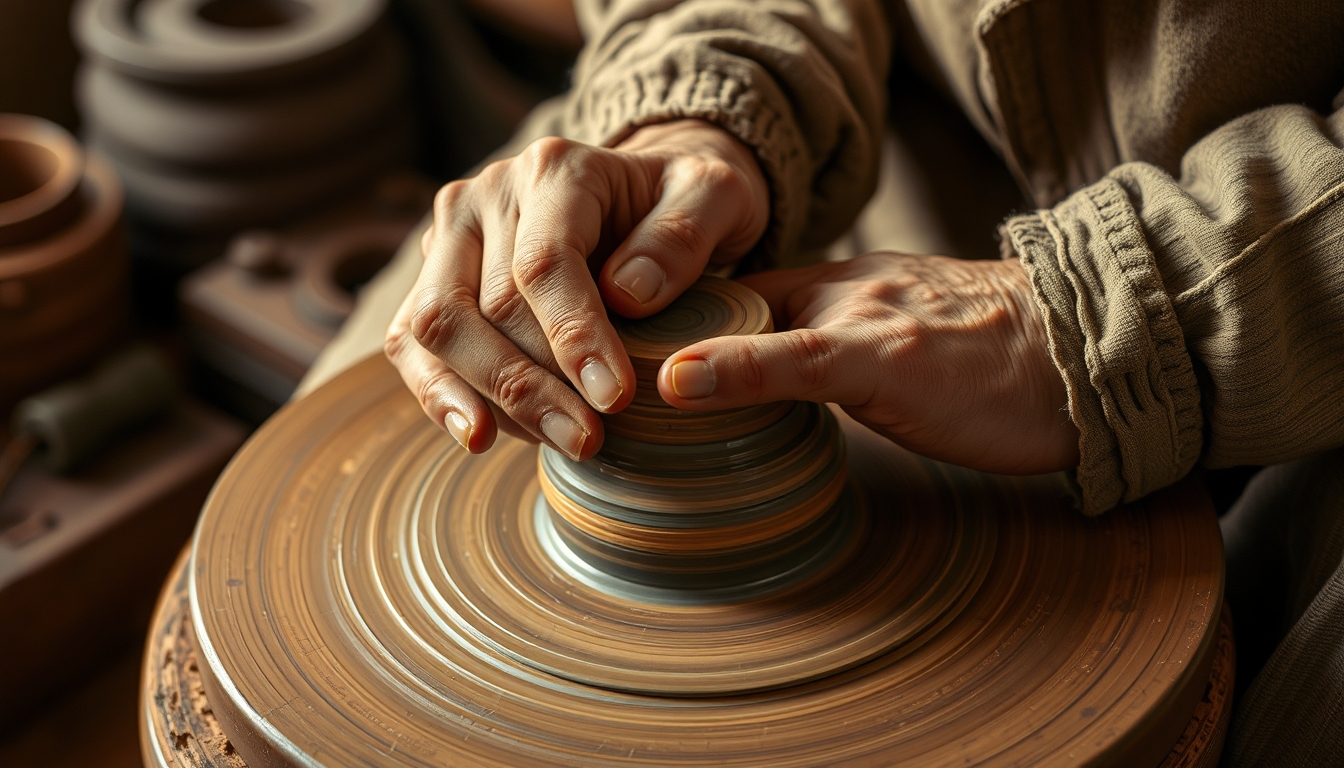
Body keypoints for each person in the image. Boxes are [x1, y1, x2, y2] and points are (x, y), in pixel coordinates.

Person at [368, 0, 1344, 764]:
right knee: (442, 313)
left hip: (1278, 271)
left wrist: (1103, 310)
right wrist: (694, 112)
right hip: (858, 176)